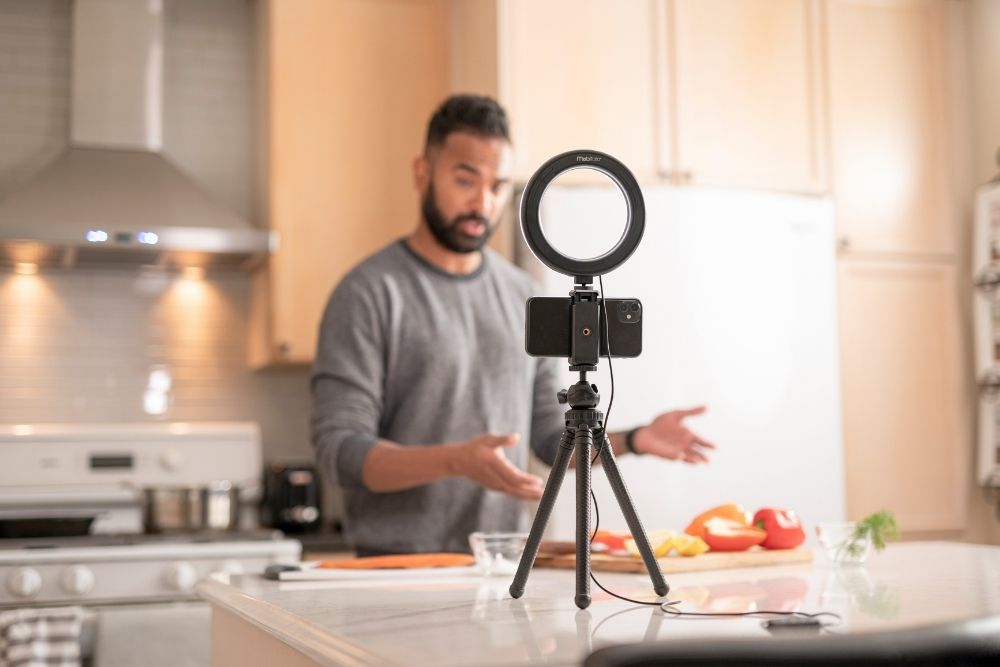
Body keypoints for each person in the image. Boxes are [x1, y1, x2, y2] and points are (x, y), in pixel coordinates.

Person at [311, 94, 715, 556]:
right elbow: (340, 452)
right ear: (422, 172)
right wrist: (455, 461)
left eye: (498, 186)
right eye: (466, 180)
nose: (482, 202)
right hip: (400, 570)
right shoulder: (368, 293)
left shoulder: (524, 294)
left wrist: (636, 439)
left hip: (504, 566)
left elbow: (549, 439)